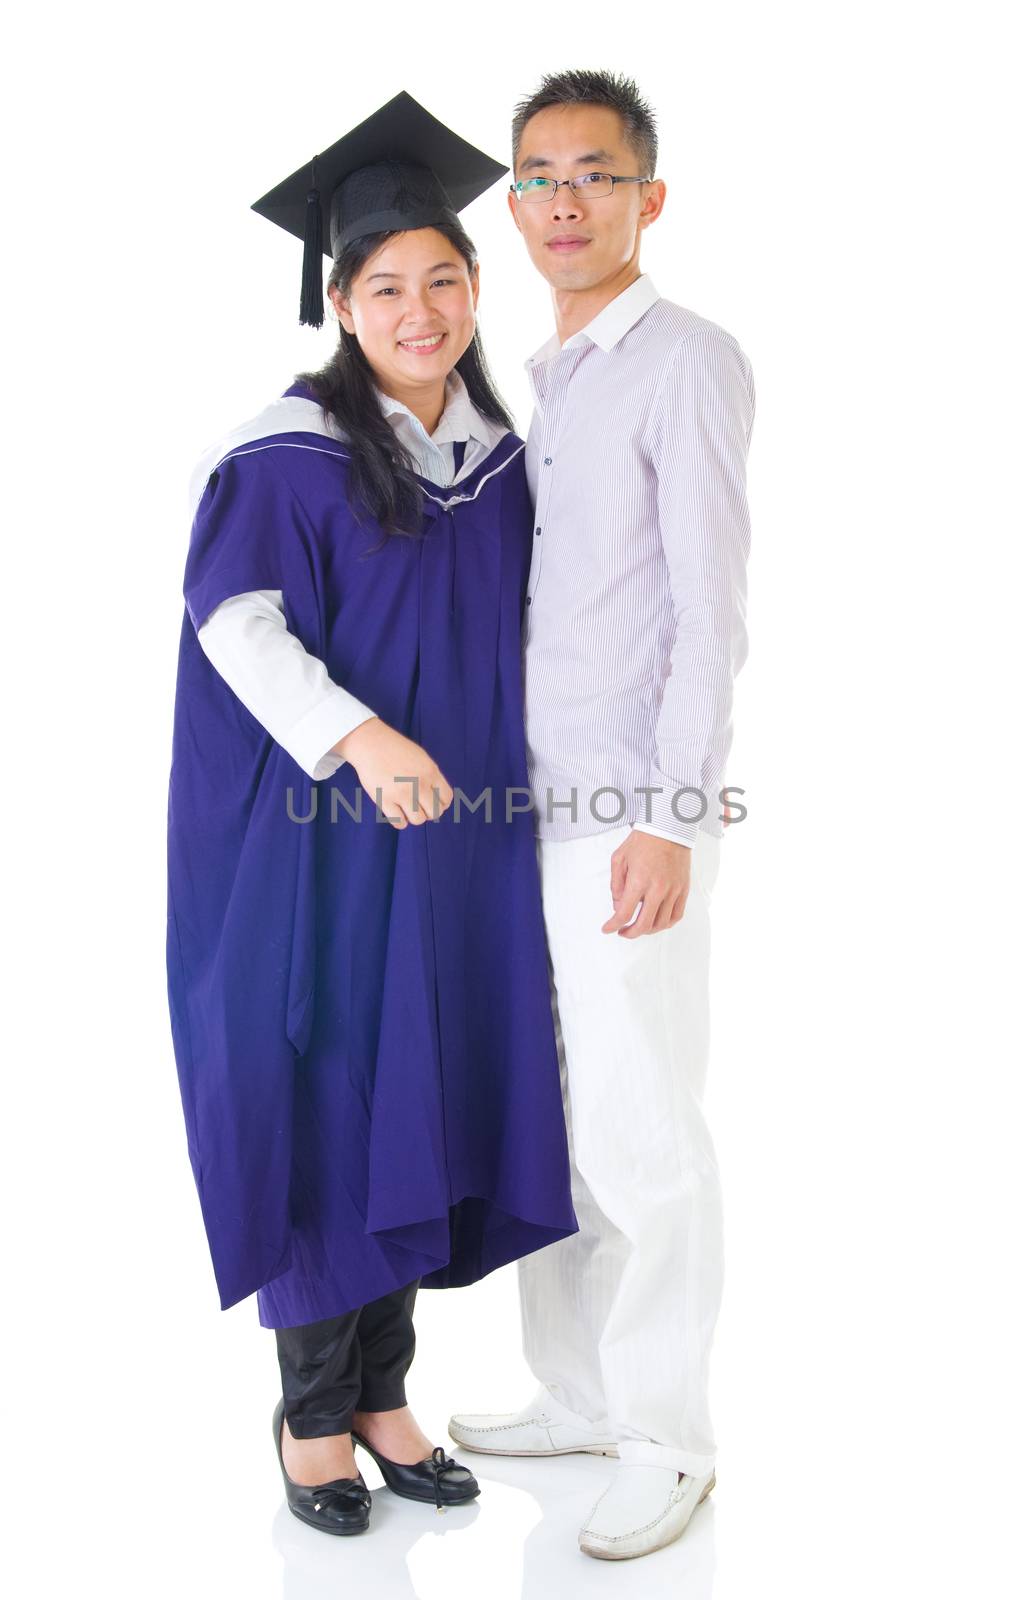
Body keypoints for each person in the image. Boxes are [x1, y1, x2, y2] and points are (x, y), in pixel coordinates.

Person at [165, 91, 578, 1538]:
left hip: (460, 844)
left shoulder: (501, 458)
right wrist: (361, 736)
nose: (421, 310)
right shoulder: (281, 452)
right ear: (338, 303)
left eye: (445, 281)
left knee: (430, 1088)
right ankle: (313, 1410)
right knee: (327, 1087)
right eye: (387, 287)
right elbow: (236, 625)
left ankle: (389, 1393)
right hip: (318, 848)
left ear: (475, 290)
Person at [447, 70, 757, 1562]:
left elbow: (708, 611)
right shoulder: (546, 375)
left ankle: (667, 1438)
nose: (562, 201)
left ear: (647, 195)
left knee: (643, 1133)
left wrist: (672, 820)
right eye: (535, 177)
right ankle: (571, 1393)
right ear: (510, 203)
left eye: (594, 173)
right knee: (550, 1124)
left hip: (625, 811)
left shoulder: (682, 360)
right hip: (525, 810)